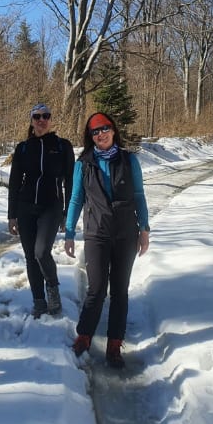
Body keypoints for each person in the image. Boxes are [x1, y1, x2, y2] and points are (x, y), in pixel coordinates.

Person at [63, 112, 150, 369]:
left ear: (113, 130)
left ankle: (114, 344)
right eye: (95, 132)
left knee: (120, 290)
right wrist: (69, 232)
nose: (101, 134)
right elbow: (76, 199)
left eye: (105, 129)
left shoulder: (128, 160)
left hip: (125, 233)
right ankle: (85, 336)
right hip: (96, 233)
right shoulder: (84, 163)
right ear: (90, 137)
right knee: (97, 288)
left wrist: (144, 228)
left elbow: (139, 195)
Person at [7, 103, 74, 318]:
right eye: (37, 116)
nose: (41, 120)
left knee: (41, 252)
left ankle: (53, 290)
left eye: (45, 116)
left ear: (51, 119)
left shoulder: (63, 146)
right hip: (26, 207)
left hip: (51, 206)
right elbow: (15, 181)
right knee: (30, 256)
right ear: (32, 120)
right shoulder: (23, 148)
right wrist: (12, 214)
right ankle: (38, 301)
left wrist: (68, 213)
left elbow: (70, 181)